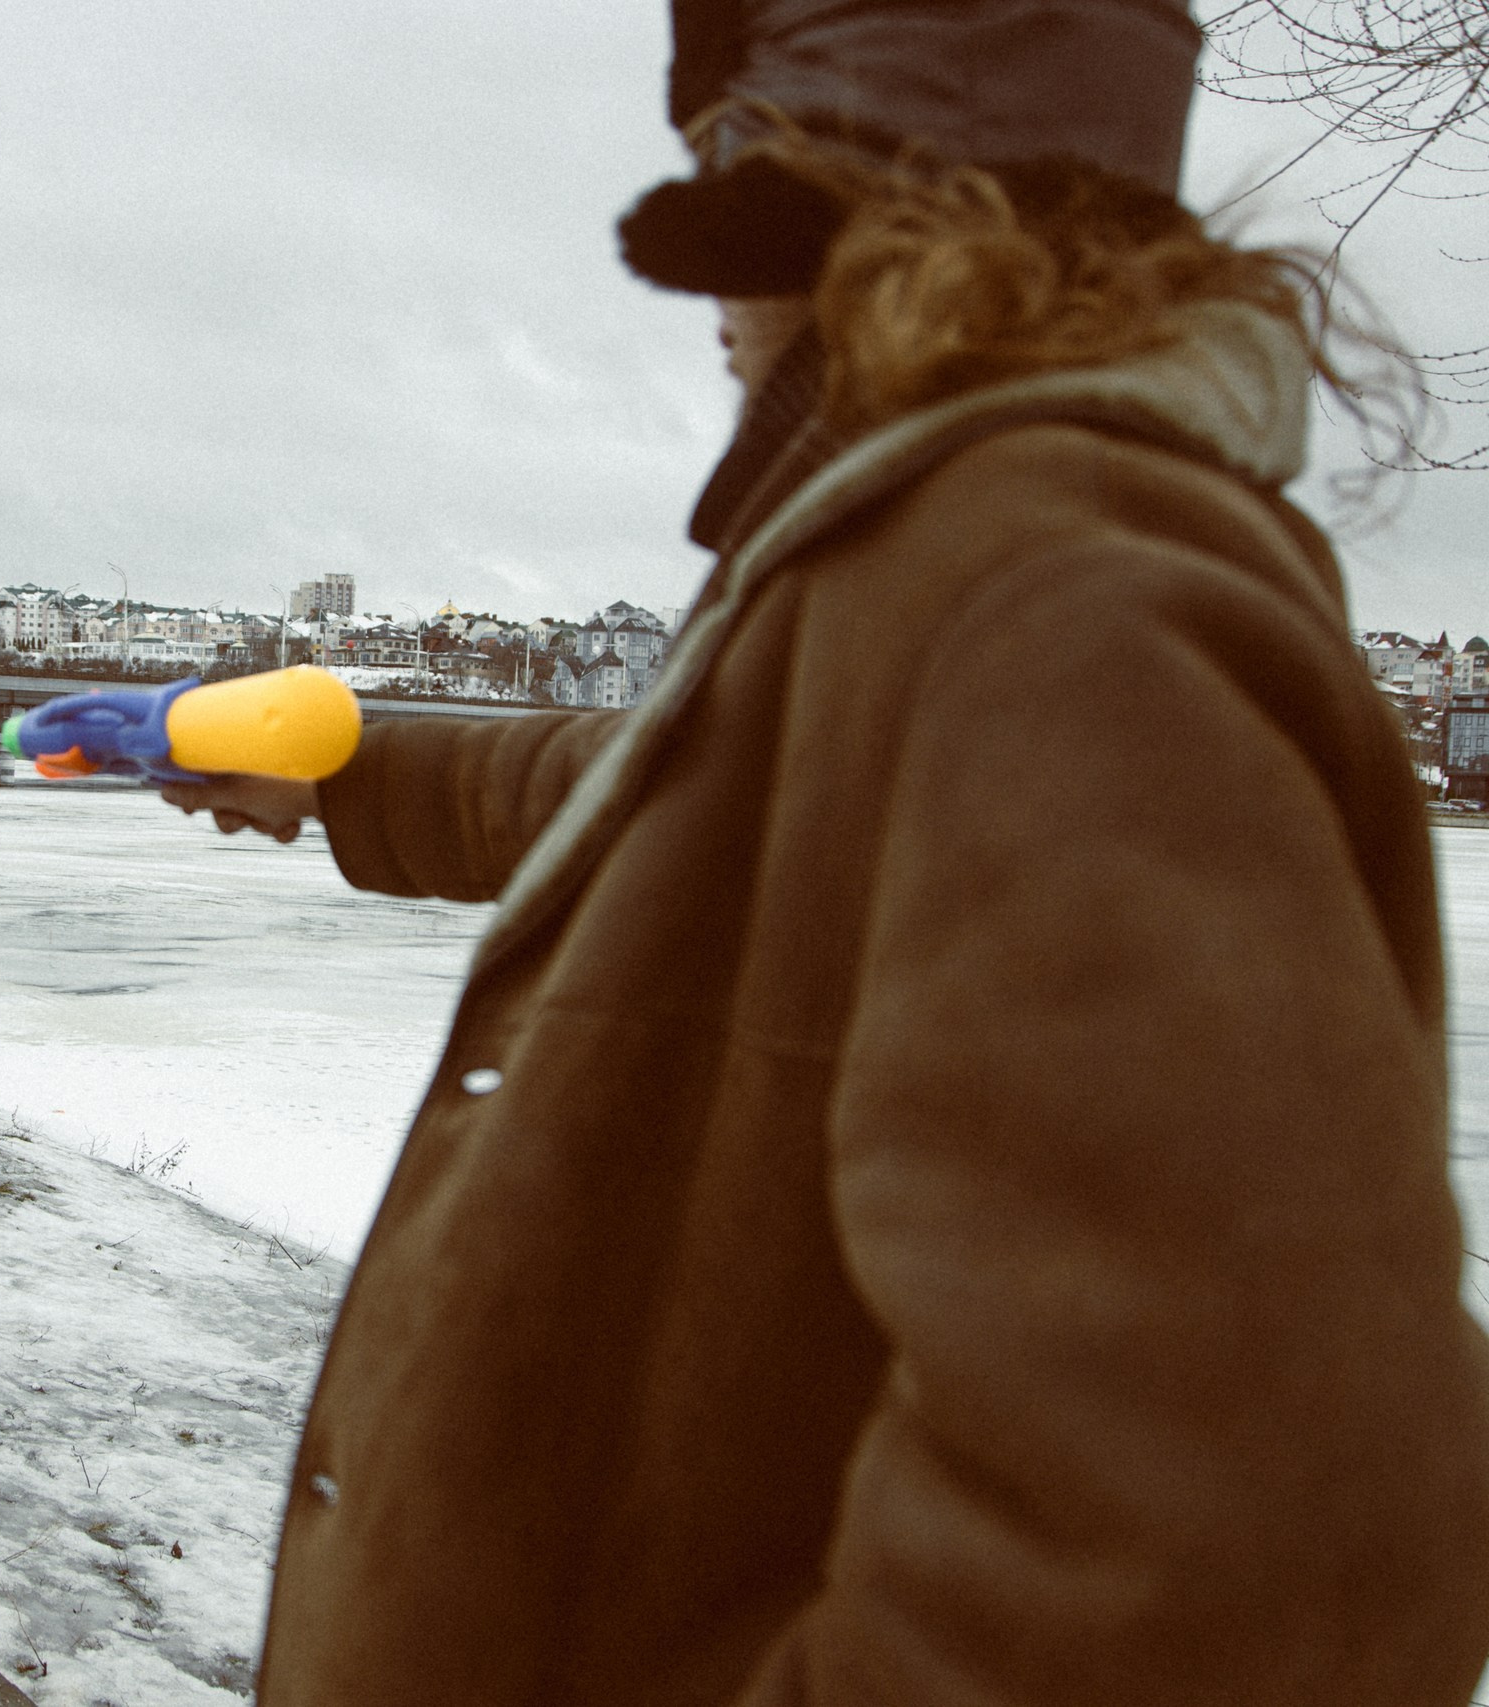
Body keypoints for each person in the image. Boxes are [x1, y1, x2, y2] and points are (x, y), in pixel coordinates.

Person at [165, 1, 1489, 1701]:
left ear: (848, 206)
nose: (712, 310)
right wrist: (341, 768)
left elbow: (1252, 1546)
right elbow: (687, 796)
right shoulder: (931, 545)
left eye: (729, 192)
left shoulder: (1059, 603)